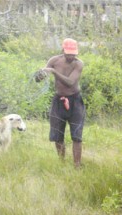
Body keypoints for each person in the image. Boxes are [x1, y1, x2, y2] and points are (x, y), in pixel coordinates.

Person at [36, 38, 86, 168]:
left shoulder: (79, 64)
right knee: (57, 135)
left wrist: (53, 71)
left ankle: (77, 165)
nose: (71, 56)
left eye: (74, 53)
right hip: (58, 100)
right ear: (63, 50)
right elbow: (39, 79)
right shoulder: (54, 61)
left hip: (75, 101)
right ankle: (62, 163)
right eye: (69, 53)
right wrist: (40, 74)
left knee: (77, 135)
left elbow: (70, 82)